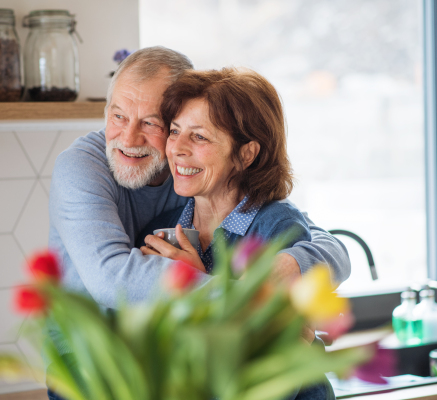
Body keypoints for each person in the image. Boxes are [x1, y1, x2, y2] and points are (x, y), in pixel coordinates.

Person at [47, 46, 348, 399]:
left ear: (244, 153)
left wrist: (304, 262)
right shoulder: (101, 179)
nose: (129, 138)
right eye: (118, 116)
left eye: (153, 123)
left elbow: (310, 238)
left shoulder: (203, 187)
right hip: (88, 373)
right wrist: (251, 303)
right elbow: (112, 280)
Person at [137, 67, 334, 399]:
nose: (177, 149)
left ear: (246, 154)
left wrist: (197, 284)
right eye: (174, 131)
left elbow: (277, 372)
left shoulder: (277, 229)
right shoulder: (160, 232)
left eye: (198, 136)